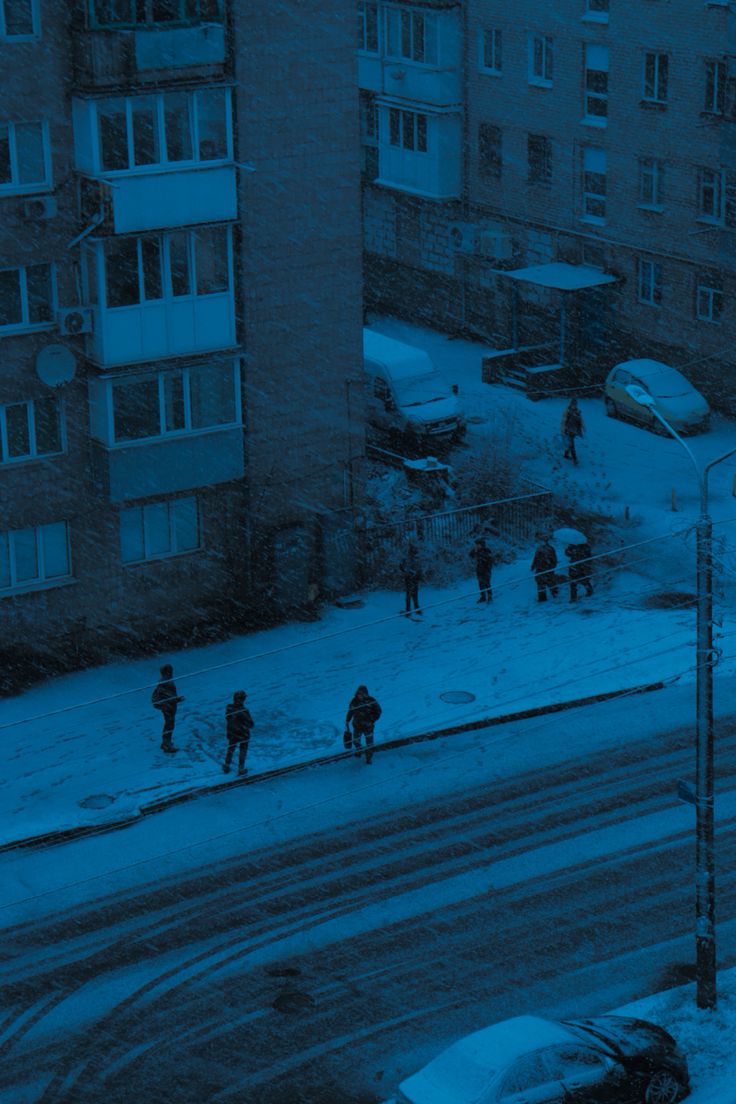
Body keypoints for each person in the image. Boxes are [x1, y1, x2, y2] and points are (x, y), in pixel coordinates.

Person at [345, 685, 382, 765]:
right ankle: (359, 751)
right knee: (356, 741)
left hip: (368, 727)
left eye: (362, 694)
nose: (360, 696)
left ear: (366, 694)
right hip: (357, 726)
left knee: (369, 744)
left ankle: (369, 758)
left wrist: (372, 719)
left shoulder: (371, 700)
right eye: (359, 694)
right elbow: (350, 711)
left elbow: (378, 711)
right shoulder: (354, 701)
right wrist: (347, 720)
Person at [151, 664, 184, 753]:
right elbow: (169, 696)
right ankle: (166, 745)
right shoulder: (166, 682)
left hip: (167, 706)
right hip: (168, 707)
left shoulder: (164, 681)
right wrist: (179, 699)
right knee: (169, 725)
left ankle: (165, 743)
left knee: (168, 724)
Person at [223, 690, 254, 776]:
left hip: (233, 733)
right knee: (241, 750)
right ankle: (240, 768)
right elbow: (251, 724)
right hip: (242, 734)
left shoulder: (229, 708)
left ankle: (227, 765)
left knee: (231, 749)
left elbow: (230, 719)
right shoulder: (243, 710)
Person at [531, 536, 558, 603]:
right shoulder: (549, 548)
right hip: (545, 568)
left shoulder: (542, 549)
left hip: (543, 568)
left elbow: (536, 558)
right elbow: (554, 559)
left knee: (543, 582)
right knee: (546, 581)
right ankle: (553, 592)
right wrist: (553, 566)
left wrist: (533, 566)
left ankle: (545, 596)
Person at [400, 542, 422, 616]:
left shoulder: (413, 559)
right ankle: (410, 610)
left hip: (412, 578)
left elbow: (401, 567)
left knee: (413, 594)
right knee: (411, 594)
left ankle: (413, 609)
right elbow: (401, 567)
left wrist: (417, 574)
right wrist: (409, 572)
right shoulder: (407, 559)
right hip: (410, 578)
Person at [469, 536, 494, 603]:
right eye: (476, 544)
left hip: (486, 569)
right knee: (480, 583)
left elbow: (489, 560)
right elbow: (470, 555)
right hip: (479, 569)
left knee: (487, 583)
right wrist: (474, 551)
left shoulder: (487, 551)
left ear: (481, 544)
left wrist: (482, 558)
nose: (476, 546)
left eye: (478, 544)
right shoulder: (476, 551)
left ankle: (489, 596)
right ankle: (483, 596)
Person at [561, 397, 584, 465]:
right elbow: (563, 421)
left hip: (574, 430)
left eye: (575, 404)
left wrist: (582, 428)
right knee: (571, 444)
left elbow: (580, 420)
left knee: (569, 443)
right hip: (568, 430)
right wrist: (563, 430)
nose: (574, 405)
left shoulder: (577, 411)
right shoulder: (567, 412)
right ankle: (574, 459)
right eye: (573, 404)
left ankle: (566, 454)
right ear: (570, 404)